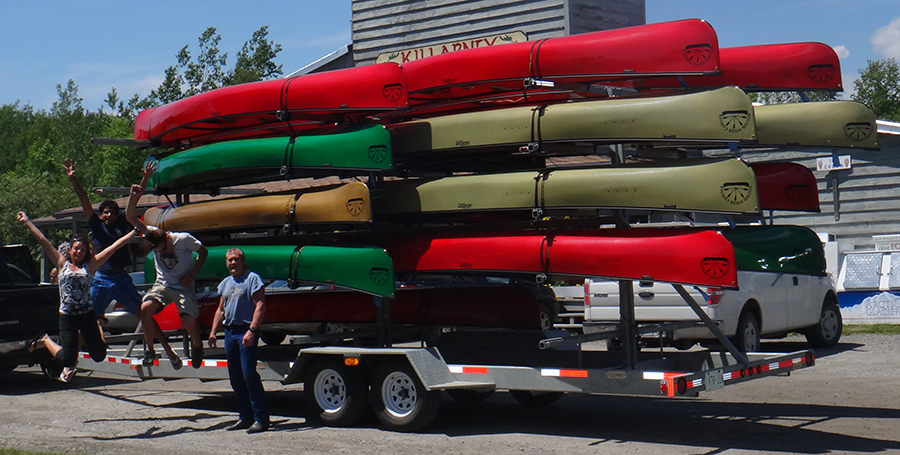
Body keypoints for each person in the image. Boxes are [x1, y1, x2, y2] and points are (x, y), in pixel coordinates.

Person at [18, 211, 136, 382]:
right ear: (70, 250)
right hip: (67, 317)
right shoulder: (61, 263)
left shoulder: (91, 265)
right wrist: (27, 221)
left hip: (87, 315)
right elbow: (42, 240)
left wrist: (134, 232)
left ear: (86, 251)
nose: (79, 252)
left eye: (82, 249)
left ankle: (98, 324)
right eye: (76, 249)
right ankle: (45, 340)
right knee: (67, 360)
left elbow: (114, 247)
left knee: (99, 355)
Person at [126, 161, 207, 369]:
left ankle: (198, 345)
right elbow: (130, 216)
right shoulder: (151, 234)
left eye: (164, 250)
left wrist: (193, 275)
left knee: (188, 321)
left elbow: (203, 252)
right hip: (163, 285)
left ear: (168, 239)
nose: (164, 253)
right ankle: (150, 349)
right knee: (145, 307)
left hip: (183, 286)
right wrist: (138, 190)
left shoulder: (183, 239)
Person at [63, 158, 144, 343]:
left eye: (113, 212)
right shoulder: (97, 225)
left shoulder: (122, 223)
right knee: (88, 317)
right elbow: (84, 201)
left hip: (121, 276)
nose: (109, 215)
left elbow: (132, 208)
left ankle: (156, 348)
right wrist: (73, 179)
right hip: (102, 277)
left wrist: (143, 181)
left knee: (143, 312)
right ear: (100, 215)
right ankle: (72, 355)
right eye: (106, 212)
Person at [208, 248, 269, 433]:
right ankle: (245, 417)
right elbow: (220, 310)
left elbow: (260, 305)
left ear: (242, 261)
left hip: (245, 332)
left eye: (236, 260)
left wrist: (252, 330)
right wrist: (212, 332)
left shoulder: (252, 279)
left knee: (248, 374)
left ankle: (261, 419)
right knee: (235, 378)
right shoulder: (225, 283)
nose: (232, 263)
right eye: (229, 260)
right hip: (229, 333)